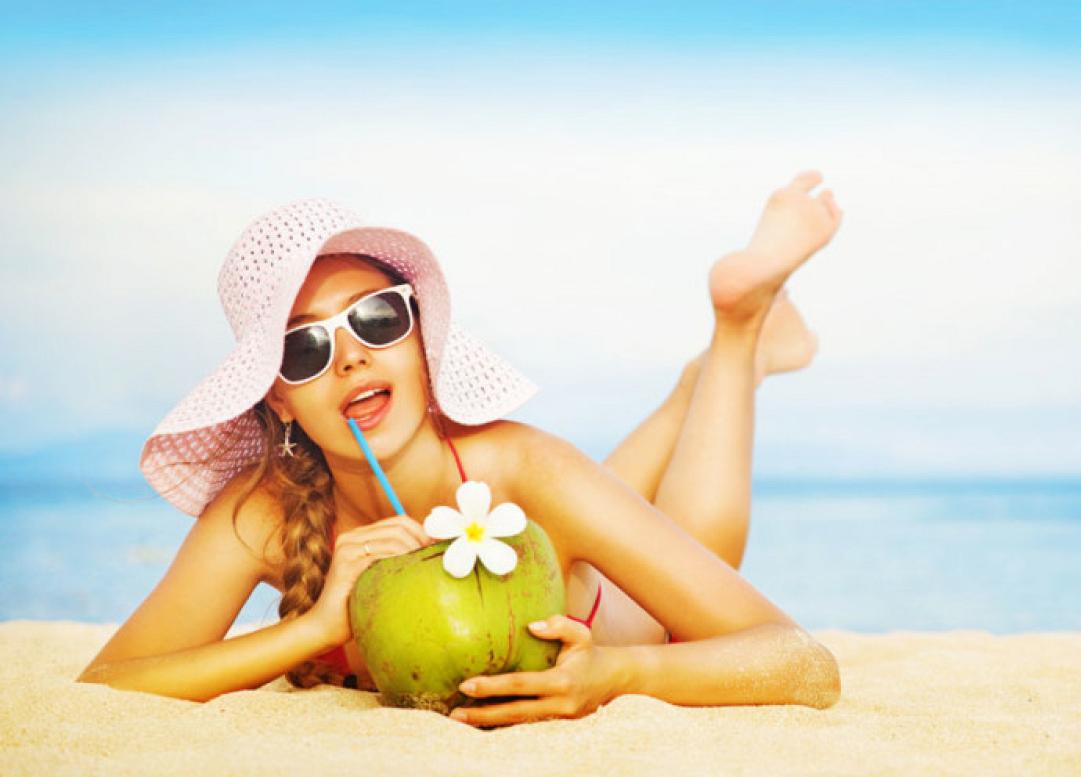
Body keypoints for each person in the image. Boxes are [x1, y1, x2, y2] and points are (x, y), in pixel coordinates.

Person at [77, 170, 844, 727]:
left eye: (377, 318)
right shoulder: (263, 511)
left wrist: (618, 673)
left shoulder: (524, 467)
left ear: (420, 341)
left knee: (691, 534)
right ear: (277, 395)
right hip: (550, 518)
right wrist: (312, 629)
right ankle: (693, 384)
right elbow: (108, 683)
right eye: (305, 347)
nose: (350, 357)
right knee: (594, 501)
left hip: (633, 619)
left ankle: (735, 335)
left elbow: (800, 659)